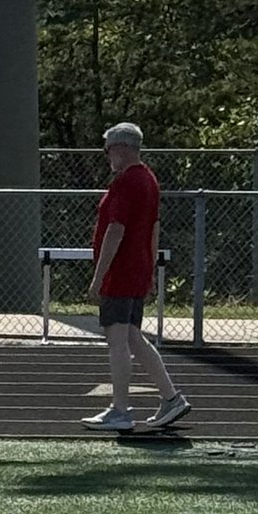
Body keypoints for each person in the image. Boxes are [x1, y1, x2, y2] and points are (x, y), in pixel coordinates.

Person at [82, 122, 191, 431]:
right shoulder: (149, 180)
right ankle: (171, 397)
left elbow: (116, 231)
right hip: (137, 268)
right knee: (132, 336)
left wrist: (98, 276)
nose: (107, 157)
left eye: (108, 150)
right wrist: (151, 265)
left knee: (117, 340)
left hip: (122, 271)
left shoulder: (127, 182)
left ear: (121, 148)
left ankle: (119, 409)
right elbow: (154, 227)